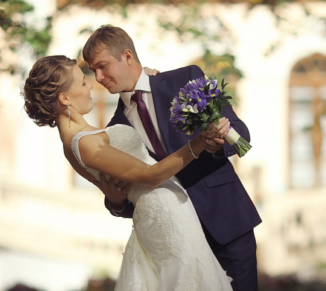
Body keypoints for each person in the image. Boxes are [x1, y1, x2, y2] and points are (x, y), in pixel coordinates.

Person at [22, 55, 234, 290]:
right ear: (64, 98)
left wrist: (145, 83)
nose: (91, 85)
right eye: (83, 82)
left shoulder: (82, 136)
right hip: (163, 213)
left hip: (167, 208)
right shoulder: (82, 143)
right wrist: (198, 144)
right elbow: (149, 175)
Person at [82, 25, 261, 291]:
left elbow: (240, 133)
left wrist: (221, 140)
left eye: (102, 66)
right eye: (92, 70)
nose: (98, 76)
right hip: (176, 243)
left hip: (226, 222)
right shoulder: (115, 129)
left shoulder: (186, 79)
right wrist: (117, 203)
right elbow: (134, 195)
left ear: (128, 56)